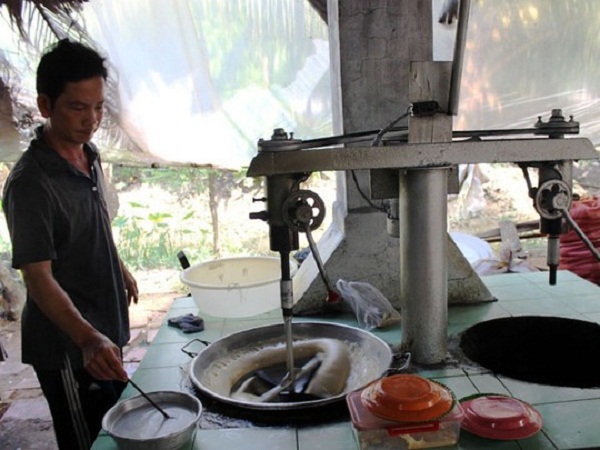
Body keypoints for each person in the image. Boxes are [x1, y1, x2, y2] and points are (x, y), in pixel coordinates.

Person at [2, 39, 138, 450]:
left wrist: (118, 266)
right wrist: (87, 339)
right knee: (87, 441)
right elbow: (37, 278)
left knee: (113, 429)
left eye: (98, 106)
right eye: (78, 107)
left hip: (102, 324)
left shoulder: (87, 154)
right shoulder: (31, 185)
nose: (91, 119)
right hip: (68, 346)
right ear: (46, 105)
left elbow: (92, 222)